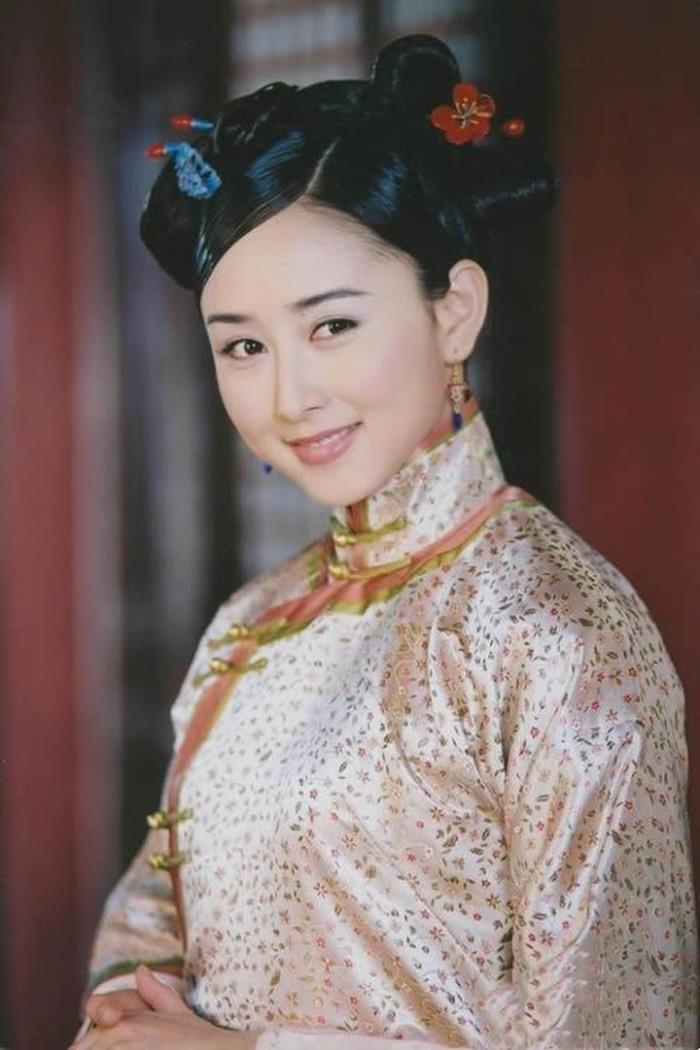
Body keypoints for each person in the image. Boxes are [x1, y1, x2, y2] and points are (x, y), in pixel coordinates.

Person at [71, 33, 698, 1050]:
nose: (290, 397)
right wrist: (122, 1007)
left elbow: (618, 1032)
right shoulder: (250, 625)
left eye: (331, 326)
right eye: (243, 345)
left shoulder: (554, 630)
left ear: (455, 310)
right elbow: (155, 905)